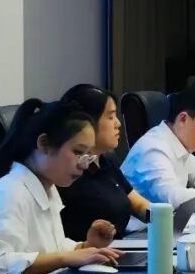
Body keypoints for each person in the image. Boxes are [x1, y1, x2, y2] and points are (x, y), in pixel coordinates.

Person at [0, 100, 121, 274]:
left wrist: (85, 247)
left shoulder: (47, 187)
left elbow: (46, 248)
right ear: (43, 144)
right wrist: (66, 258)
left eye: (87, 155)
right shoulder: (9, 193)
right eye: (77, 152)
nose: (83, 165)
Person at [56, 85, 152, 242]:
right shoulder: (67, 172)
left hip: (118, 248)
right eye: (111, 117)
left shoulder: (107, 159)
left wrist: (165, 218)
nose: (118, 124)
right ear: (87, 122)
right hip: (88, 254)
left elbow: (139, 205)